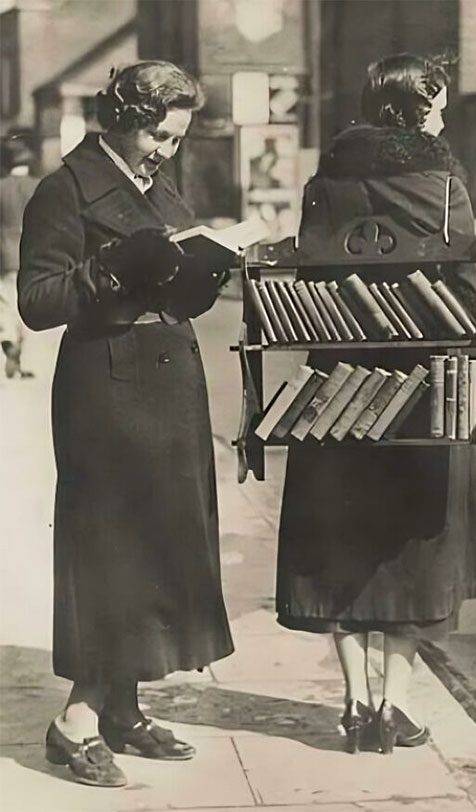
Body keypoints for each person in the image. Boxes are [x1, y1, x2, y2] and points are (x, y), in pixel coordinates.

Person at [18, 61, 234, 788]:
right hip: (107, 393)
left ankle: (124, 706)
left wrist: (203, 275)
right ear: (121, 118)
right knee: (108, 551)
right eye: (157, 136)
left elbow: (171, 279)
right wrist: (110, 267)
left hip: (169, 389)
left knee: (161, 542)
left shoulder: (160, 187)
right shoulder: (64, 189)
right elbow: (37, 300)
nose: (165, 151)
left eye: (175, 140)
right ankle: (75, 719)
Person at [275, 53, 476, 755]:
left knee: (340, 542)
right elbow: (467, 285)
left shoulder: (326, 179)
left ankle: (354, 702)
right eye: (439, 105)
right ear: (414, 110)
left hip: (337, 388)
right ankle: (394, 706)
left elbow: (309, 263)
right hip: (424, 387)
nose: (446, 115)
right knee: (417, 550)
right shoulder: (444, 183)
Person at [0, 134, 39, 379]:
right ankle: (20, 346)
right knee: (27, 304)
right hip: (32, 255)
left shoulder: (1, 188)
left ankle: (8, 340)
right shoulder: (39, 186)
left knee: (5, 302)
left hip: (4, 254)